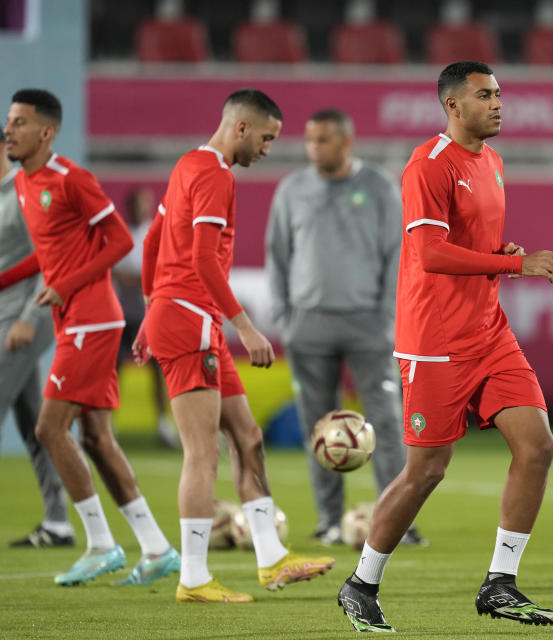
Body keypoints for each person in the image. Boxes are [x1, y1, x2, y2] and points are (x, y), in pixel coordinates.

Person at [336, 61, 553, 632]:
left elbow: (468, 243)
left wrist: (498, 251)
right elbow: (431, 254)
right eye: (484, 95)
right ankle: (361, 583)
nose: (497, 103)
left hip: (489, 333)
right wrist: (516, 263)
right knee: (427, 470)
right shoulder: (427, 166)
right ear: (452, 106)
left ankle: (500, 584)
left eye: (499, 94)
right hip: (434, 342)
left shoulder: (492, 161)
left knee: (537, 447)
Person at [136, 88, 335, 604]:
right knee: (203, 455)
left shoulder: (189, 165)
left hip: (180, 317)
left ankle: (270, 559)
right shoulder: (215, 174)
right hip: (190, 322)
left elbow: (155, 239)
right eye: (267, 138)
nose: (268, 149)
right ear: (241, 128)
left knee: (247, 437)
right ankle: (194, 577)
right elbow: (202, 260)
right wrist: (244, 325)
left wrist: (149, 310)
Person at [2, 88, 180, 586]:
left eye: (18, 122)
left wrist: (66, 285)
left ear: (46, 131)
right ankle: (156, 547)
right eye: (8, 122)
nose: (8, 130)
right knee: (98, 440)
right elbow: (49, 253)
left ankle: (101, 544)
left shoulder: (72, 179)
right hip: (70, 317)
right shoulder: (22, 182)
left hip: (93, 319)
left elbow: (121, 240)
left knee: (48, 430)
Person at [265, 108, 423, 546]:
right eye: (310, 140)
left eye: (323, 140)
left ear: (346, 142)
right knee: (319, 428)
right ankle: (329, 522)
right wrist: (284, 315)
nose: (313, 148)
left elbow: (400, 252)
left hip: (369, 324)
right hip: (308, 324)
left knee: (388, 424)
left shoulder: (378, 188)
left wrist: (389, 316)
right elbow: (277, 253)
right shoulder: (292, 190)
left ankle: (399, 524)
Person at [0, 131, 74, 549]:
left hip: (22, 319)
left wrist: (30, 317)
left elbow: (50, 257)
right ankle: (58, 522)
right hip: (4, 320)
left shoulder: (23, 193)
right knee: (38, 426)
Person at [113, 186, 177, 448]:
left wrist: (144, 279)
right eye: (140, 203)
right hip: (127, 315)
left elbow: (164, 273)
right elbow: (122, 277)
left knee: (159, 372)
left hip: (152, 316)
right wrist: (147, 279)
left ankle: (163, 426)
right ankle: (109, 421)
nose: (144, 207)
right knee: (115, 370)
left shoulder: (158, 233)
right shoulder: (123, 235)